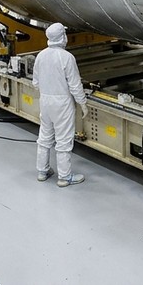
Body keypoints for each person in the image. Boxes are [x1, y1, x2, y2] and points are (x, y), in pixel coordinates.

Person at [34, 22, 88, 187]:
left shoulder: (41, 55)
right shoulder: (66, 57)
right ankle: (64, 177)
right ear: (61, 37)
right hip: (62, 103)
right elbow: (75, 84)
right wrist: (83, 103)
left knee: (44, 137)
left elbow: (35, 82)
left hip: (45, 100)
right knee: (64, 139)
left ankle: (42, 171)